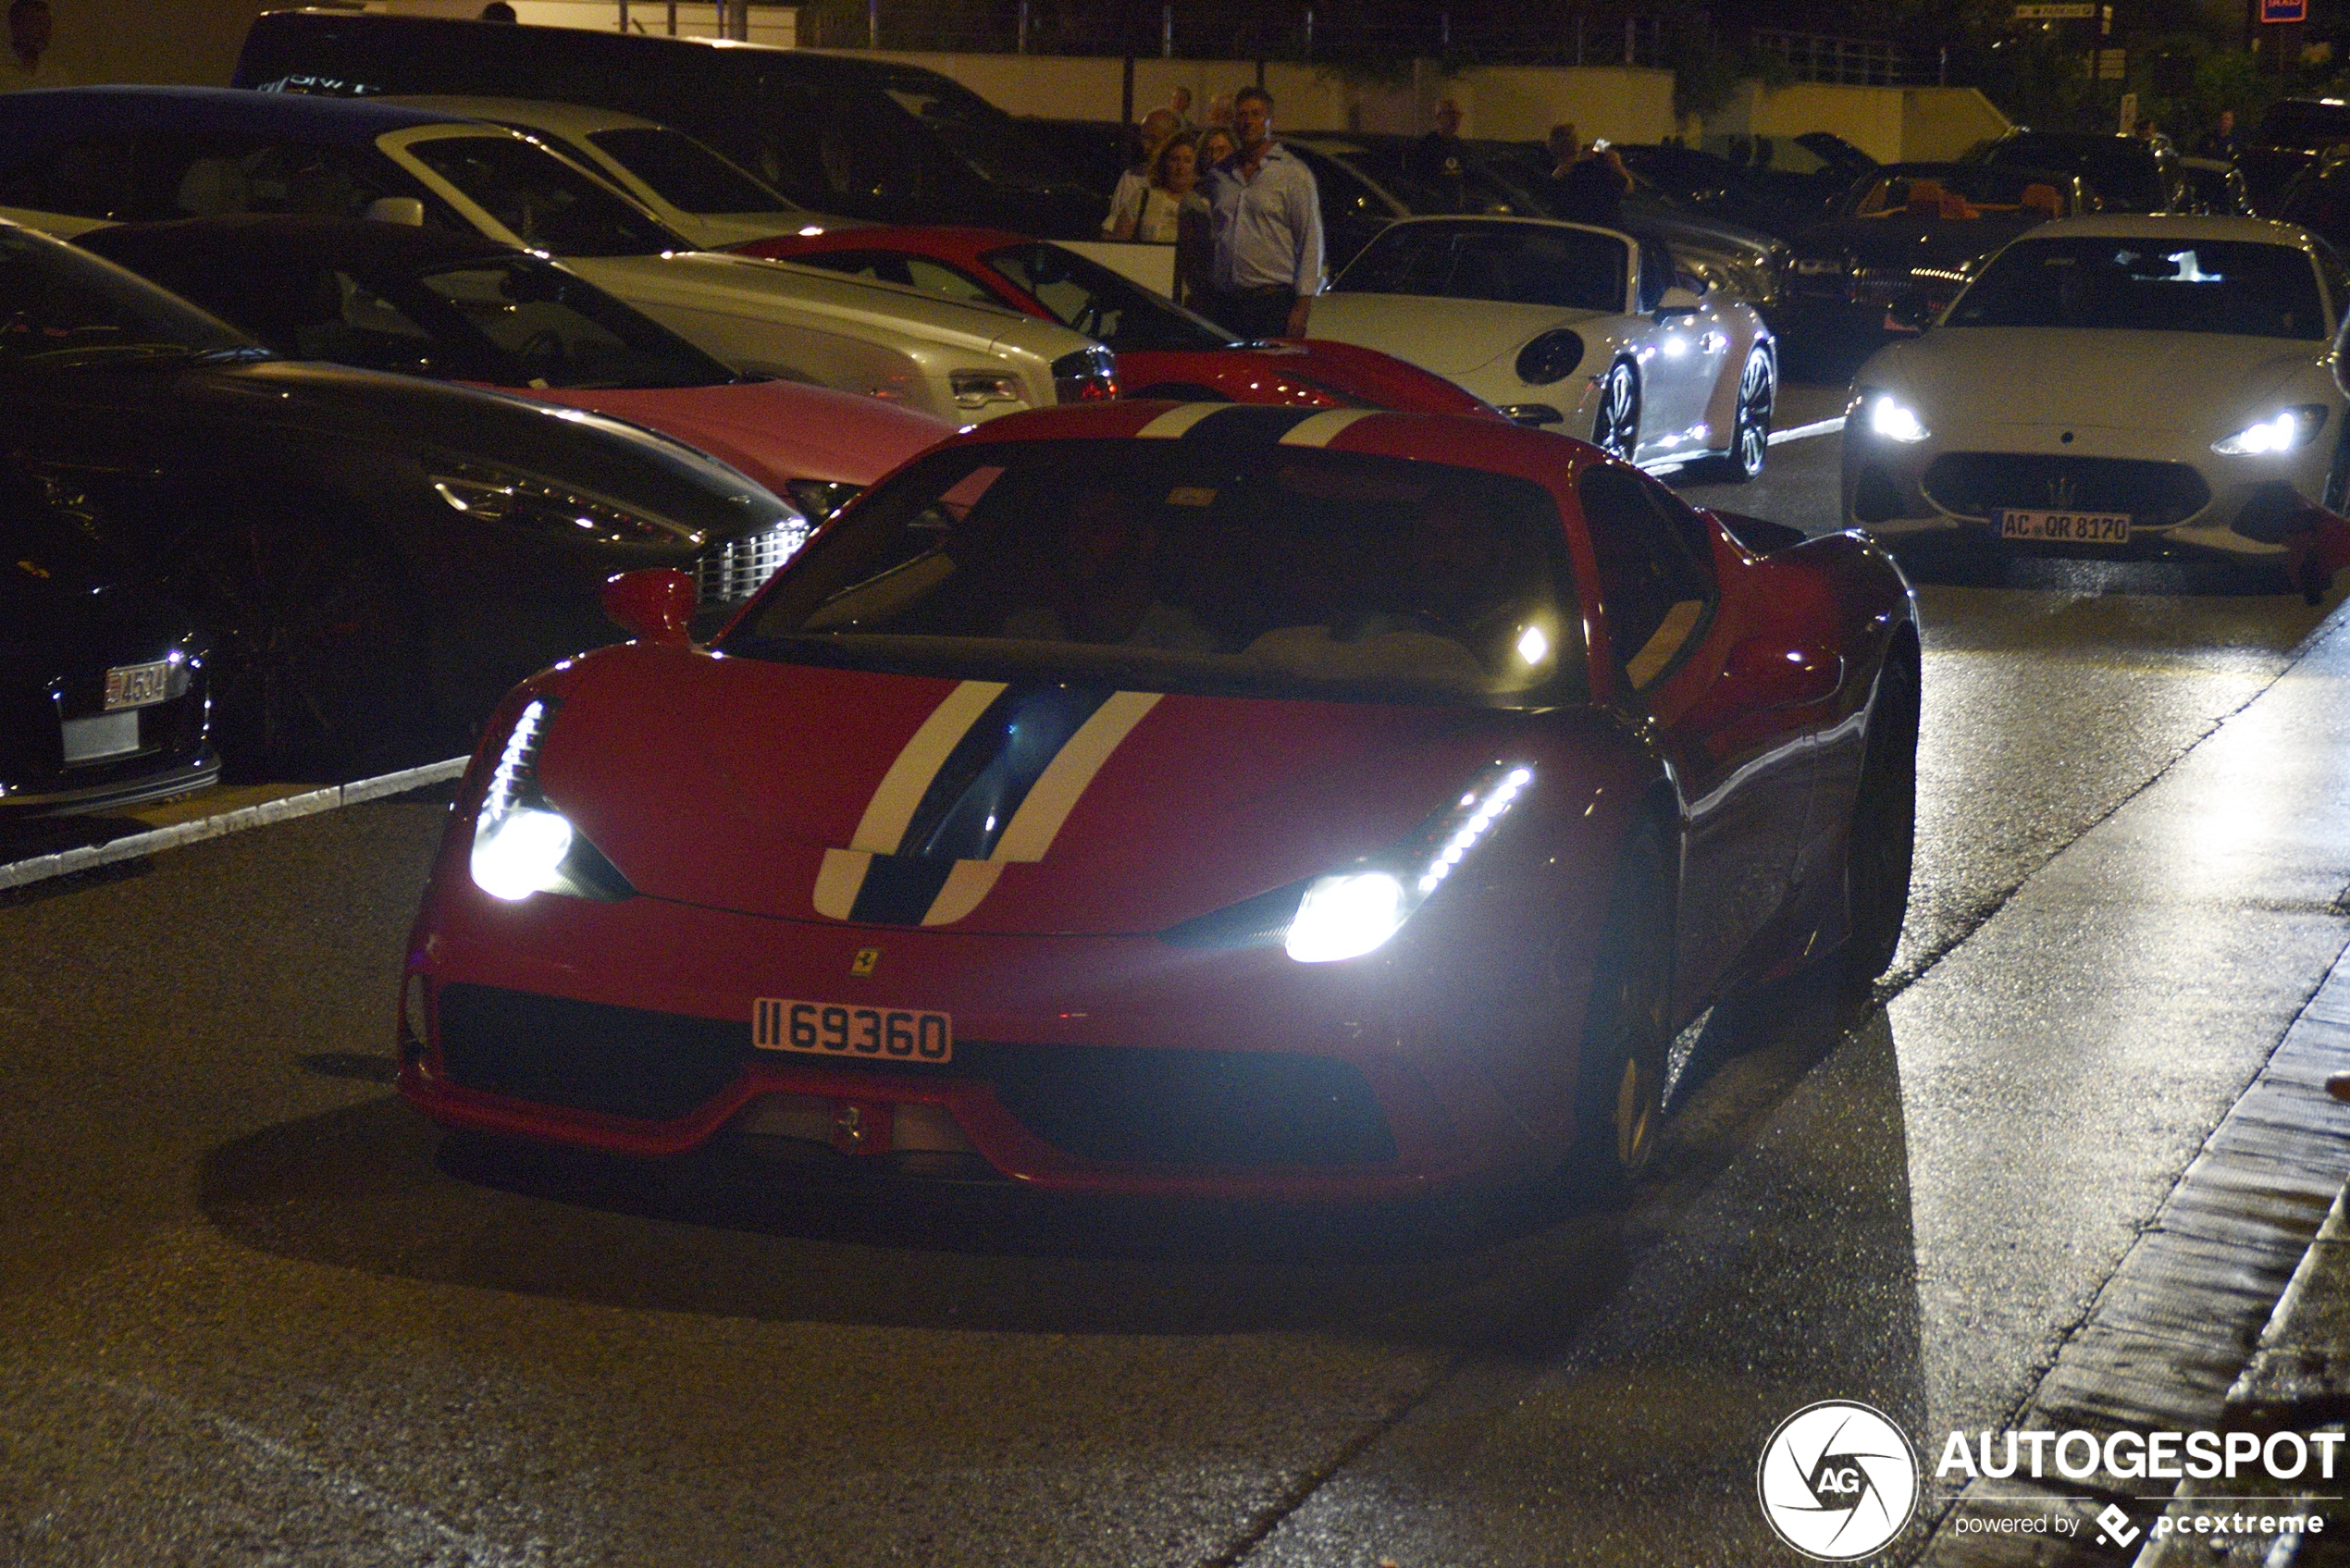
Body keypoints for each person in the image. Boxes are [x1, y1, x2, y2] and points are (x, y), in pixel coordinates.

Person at [1202, 85, 1323, 340]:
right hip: (1226, 303)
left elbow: (1310, 241)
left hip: (1271, 304)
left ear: (1270, 120)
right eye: (1242, 115)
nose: (1248, 122)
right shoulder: (1219, 177)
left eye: (1256, 114)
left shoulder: (1293, 174)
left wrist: (1302, 307)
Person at [1104, 108, 1181, 240]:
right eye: (1144, 138)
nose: (1146, 146)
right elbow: (1112, 231)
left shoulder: (1196, 187)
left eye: (1153, 140)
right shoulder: (1133, 179)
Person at [1544, 123, 1630, 228]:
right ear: (1578, 145)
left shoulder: (1555, 181)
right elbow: (1627, 187)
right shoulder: (1592, 173)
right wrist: (1616, 164)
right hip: (1607, 234)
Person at [1127, 131, 1198, 244]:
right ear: (1164, 163)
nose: (1180, 166)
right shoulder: (1143, 199)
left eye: (1187, 160)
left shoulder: (1203, 204)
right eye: (1175, 159)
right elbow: (1118, 244)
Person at [1406, 97, 1472, 213]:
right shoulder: (1426, 146)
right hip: (1433, 210)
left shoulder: (1460, 146)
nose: (1455, 119)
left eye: (1458, 115)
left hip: (1455, 210)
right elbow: (1419, 182)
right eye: (1450, 114)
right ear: (1438, 117)